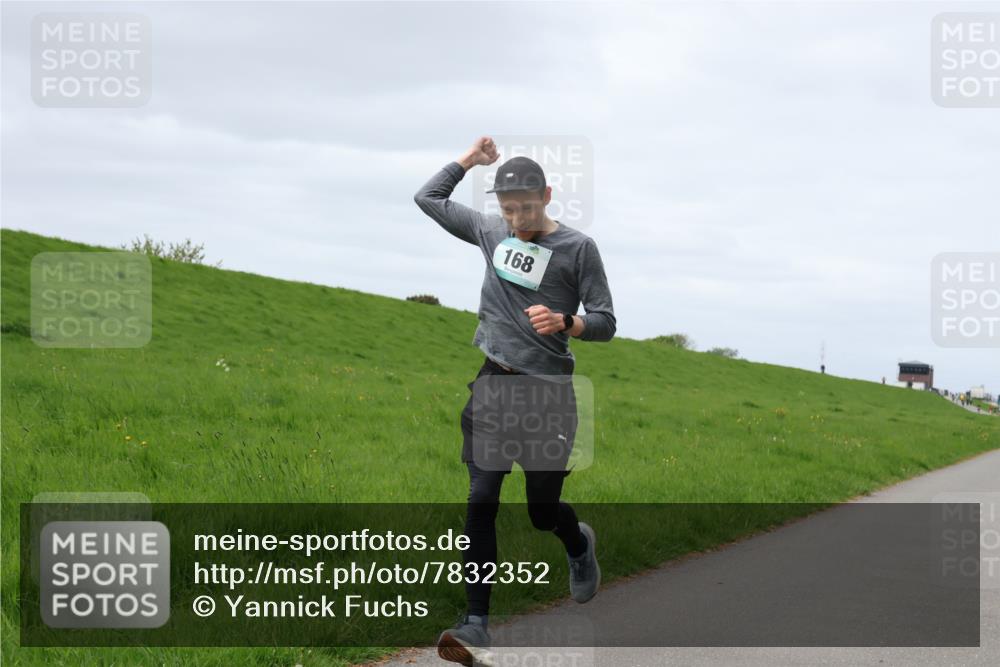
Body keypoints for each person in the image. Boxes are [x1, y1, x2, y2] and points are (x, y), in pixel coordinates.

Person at [413, 136, 617, 666]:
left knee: (540, 510)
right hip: (493, 383)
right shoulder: (489, 230)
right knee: (480, 501)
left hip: (549, 395)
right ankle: (475, 624)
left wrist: (566, 322)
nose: (518, 219)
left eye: (526, 207)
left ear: (547, 196)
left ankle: (576, 543)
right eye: (508, 209)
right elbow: (428, 198)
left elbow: (606, 322)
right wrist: (469, 160)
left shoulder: (578, 249)